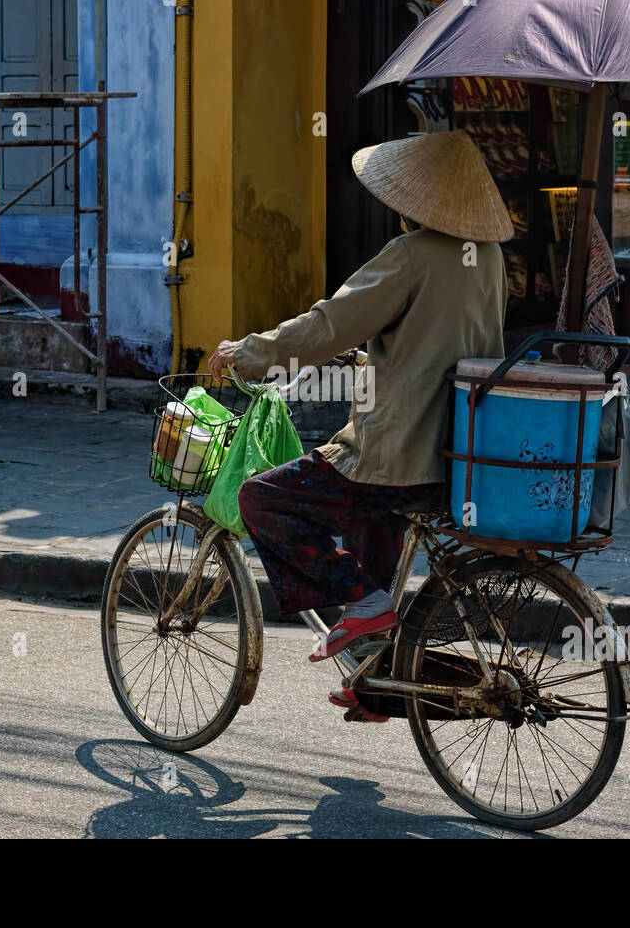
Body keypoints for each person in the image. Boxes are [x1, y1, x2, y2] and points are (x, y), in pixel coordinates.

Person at [208, 129, 512, 720]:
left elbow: (329, 325)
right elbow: (436, 335)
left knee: (262, 499)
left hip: (395, 453)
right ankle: (375, 681)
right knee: (375, 528)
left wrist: (249, 351)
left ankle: (367, 607)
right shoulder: (491, 257)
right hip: (455, 455)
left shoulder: (412, 254)